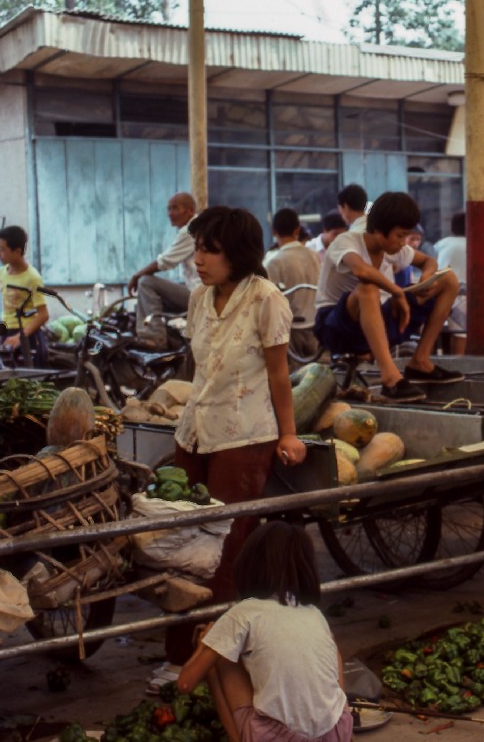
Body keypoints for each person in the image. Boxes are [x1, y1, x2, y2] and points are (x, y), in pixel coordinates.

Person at [165, 206, 306, 670]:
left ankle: (212, 661)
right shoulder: (198, 298)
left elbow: (279, 374)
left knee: (224, 550)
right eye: (197, 248)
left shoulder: (266, 298)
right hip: (194, 431)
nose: (198, 259)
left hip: (244, 437)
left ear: (239, 254)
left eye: (210, 250)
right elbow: (201, 367)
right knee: (181, 543)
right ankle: (178, 654)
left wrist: (289, 434)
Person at [176, 521, 351, 742]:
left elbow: (185, 684)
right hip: (337, 733)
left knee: (220, 653)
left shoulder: (243, 613)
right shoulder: (315, 614)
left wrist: (205, 643)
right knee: (331, 645)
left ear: (249, 564)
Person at [314, 192, 463, 403]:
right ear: (378, 230)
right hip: (336, 328)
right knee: (368, 289)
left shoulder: (394, 248)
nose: (403, 243)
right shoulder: (346, 242)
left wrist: (427, 278)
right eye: (400, 236)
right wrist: (397, 291)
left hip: (377, 317)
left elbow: (428, 261)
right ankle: (390, 379)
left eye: (406, 236)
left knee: (448, 280)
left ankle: (420, 361)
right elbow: (362, 271)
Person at [127, 192, 200, 350]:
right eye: (169, 209)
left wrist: (137, 275)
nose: (170, 213)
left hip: (199, 295)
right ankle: (169, 336)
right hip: (201, 292)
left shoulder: (190, 230)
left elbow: (165, 262)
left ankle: (154, 337)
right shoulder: (197, 228)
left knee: (146, 282)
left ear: (190, 210)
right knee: (149, 298)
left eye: (175, 208)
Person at [265, 208, 321, 361]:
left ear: (273, 231)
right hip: (316, 327)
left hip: (291, 331)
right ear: (297, 230)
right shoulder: (315, 255)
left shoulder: (275, 262)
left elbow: (267, 300)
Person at [0, 225, 50, 365]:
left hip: (27, 335)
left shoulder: (32, 278)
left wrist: (21, 336)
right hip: (6, 333)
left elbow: (43, 314)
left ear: (17, 251)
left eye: (2, 250)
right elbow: (6, 309)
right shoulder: (0, 273)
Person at [435, 212, 468, 355]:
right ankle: (458, 363)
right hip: (462, 297)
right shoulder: (474, 245)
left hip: (440, 293)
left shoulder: (443, 244)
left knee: (435, 329)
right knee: (460, 334)